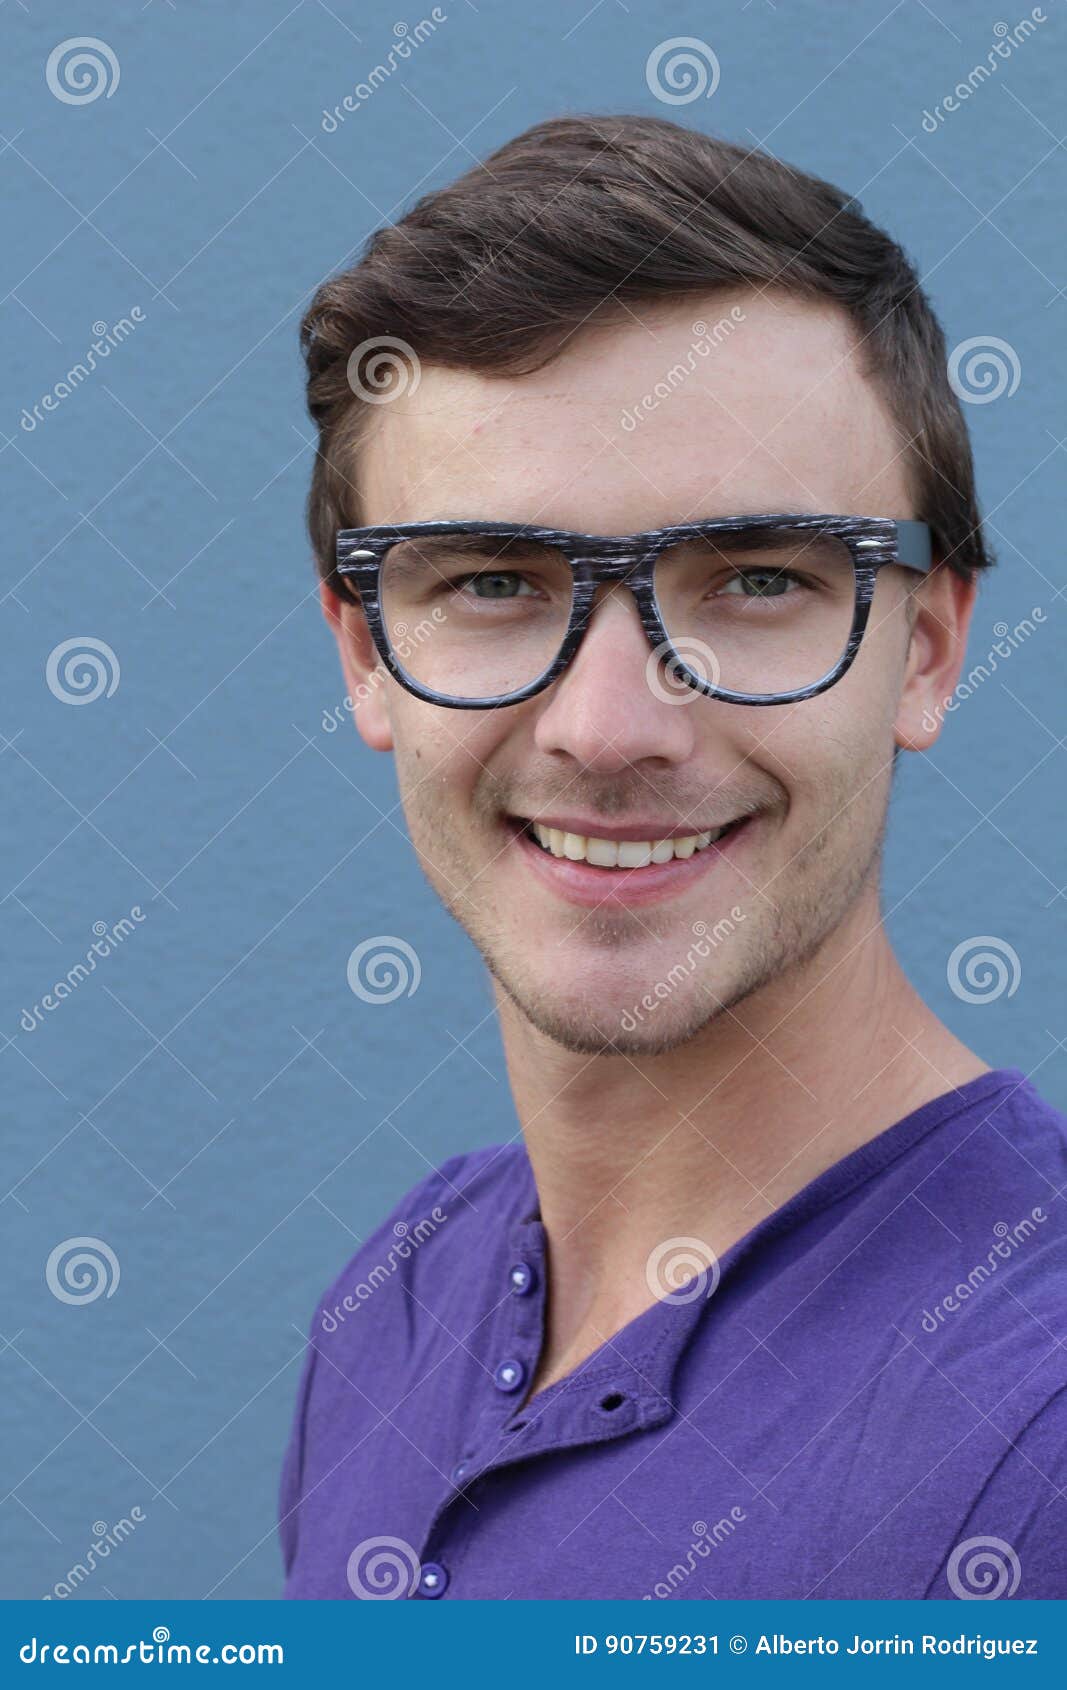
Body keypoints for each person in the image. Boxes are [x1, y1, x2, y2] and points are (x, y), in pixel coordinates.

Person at [280, 114, 1067, 1601]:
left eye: (758, 579)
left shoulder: (1035, 1446)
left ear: (930, 648)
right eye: (495, 581)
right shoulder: (397, 1301)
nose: (607, 726)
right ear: (365, 655)